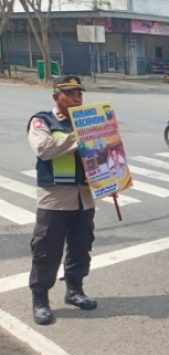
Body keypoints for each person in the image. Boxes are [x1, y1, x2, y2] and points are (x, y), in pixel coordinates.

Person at [26, 75, 98, 325]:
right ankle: (40, 300)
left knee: (81, 248)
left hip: (84, 198)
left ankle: (74, 290)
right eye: (71, 94)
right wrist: (77, 137)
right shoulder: (42, 121)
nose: (77, 98)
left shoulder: (91, 121)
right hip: (55, 199)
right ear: (57, 97)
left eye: (80, 94)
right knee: (46, 250)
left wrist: (112, 180)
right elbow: (44, 149)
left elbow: (104, 155)